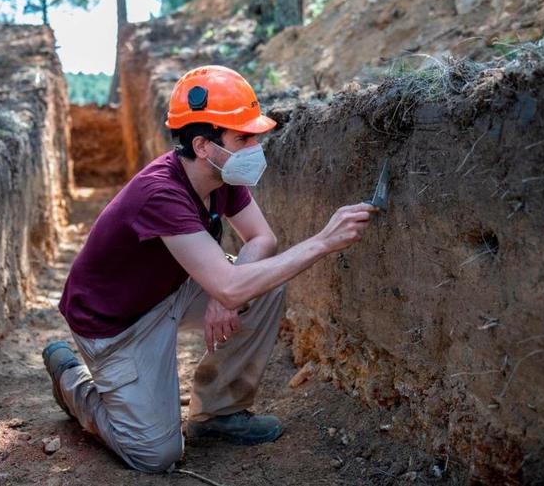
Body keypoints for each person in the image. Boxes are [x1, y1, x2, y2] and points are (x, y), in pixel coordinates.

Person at [44, 65, 377, 472]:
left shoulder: (222, 175)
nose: (255, 146)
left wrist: (226, 296)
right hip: (115, 325)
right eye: (243, 137)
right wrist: (323, 242)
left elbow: (262, 240)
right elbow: (234, 281)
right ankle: (72, 383)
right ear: (203, 145)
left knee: (263, 287)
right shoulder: (161, 194)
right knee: (156, 455)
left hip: (170, 290)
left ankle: (218, 414)